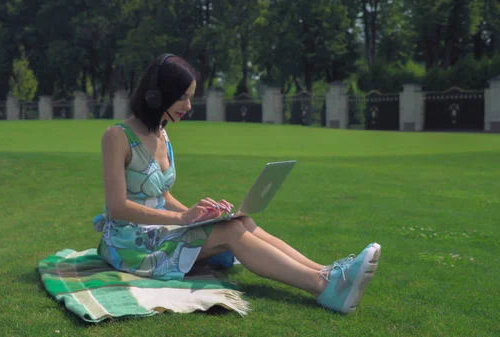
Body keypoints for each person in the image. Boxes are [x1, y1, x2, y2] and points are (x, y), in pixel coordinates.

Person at [93, 53, 381, 314]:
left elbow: (161, 194)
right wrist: (182, 218)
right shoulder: (116, 137)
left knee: (242, 220)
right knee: (230, 231)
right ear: (158, 95)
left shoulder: (163, 134)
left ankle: (328, 273)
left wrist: (197, 213)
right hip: (130, 242)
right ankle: (322, 287)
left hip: (160, 229)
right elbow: (118, 208)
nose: (189, 105)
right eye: (183, 97)